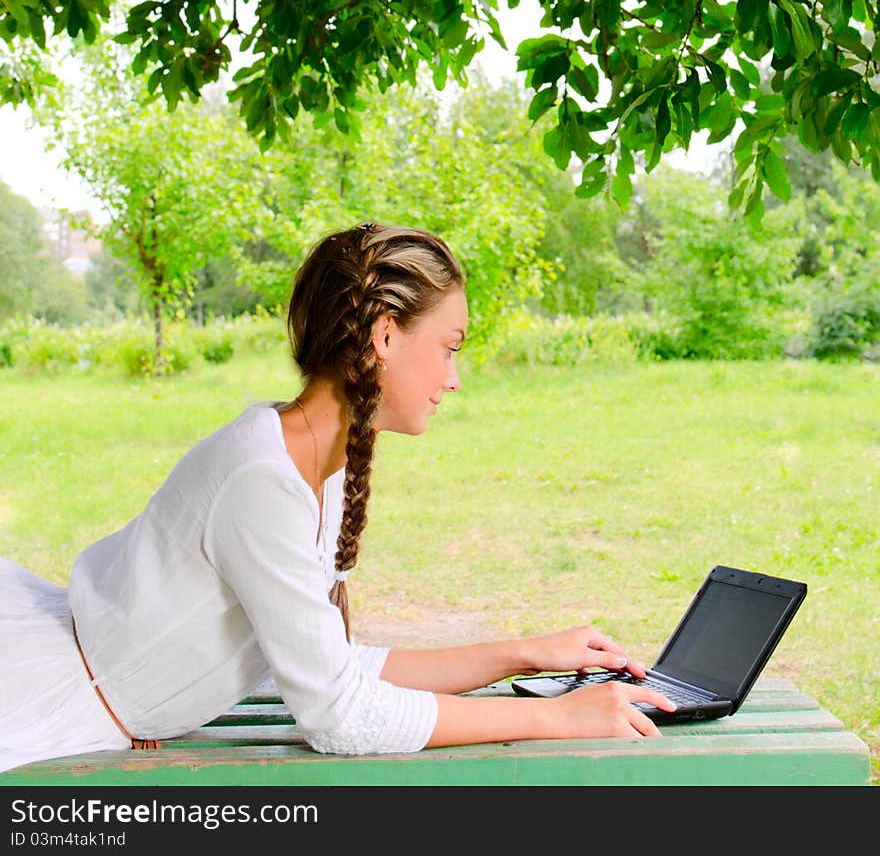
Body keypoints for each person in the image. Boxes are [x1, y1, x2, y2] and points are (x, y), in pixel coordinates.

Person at [0, 221, 674, 774]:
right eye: (448, 347)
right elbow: (338, 716)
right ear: (384, 337)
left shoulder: (311, 459)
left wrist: (528, 653)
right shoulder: (263, 479)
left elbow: (337, 671)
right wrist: (555, 716)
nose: (454, 378)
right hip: (42, 700)